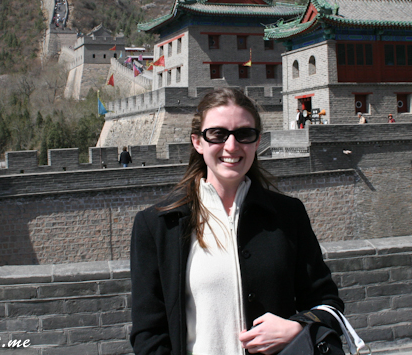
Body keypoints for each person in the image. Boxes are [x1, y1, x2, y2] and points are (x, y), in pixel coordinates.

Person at [130, 88, 343, 355]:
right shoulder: (158, 225)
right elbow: (148, 334)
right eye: (217, 134)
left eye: (244, 134)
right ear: (197, 142)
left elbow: (328, 304)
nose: (232, 146)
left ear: (257, 141)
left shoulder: (288, 215)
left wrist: (297, 327)